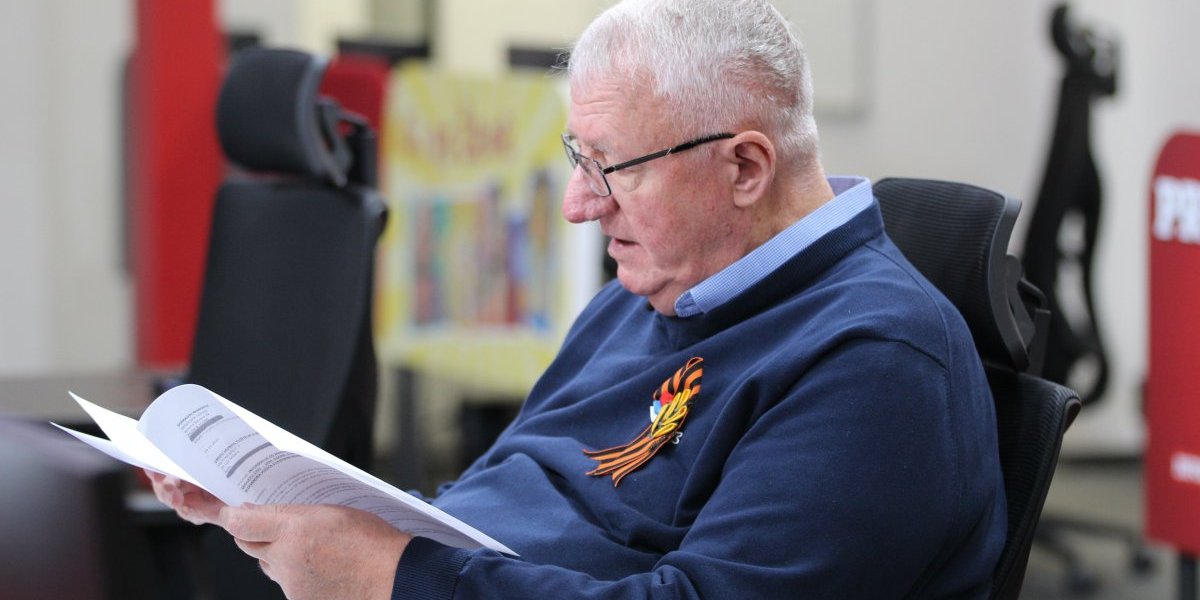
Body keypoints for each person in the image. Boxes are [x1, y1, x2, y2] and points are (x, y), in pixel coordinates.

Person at [148, 0, 1008, 597]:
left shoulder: (876, 363)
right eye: (576, 157)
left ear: (745, 168)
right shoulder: (649, 291)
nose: (577, 205)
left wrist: (388, 577)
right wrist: (316, 515)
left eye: (612, 168)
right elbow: (493, 500)